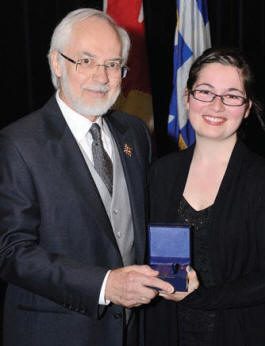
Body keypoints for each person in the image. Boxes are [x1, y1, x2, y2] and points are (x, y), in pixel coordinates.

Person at [0, 8, 173, 346]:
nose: (102, 76)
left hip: (131, 332)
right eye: (86, 60)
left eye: (112, 64)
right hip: (56, 333)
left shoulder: (134, 133)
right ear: (56, 63)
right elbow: (11, 251)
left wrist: (175, 271)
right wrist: (105, 285)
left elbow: (141, 224)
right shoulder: (17, 144)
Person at [145, 47, 265, 346]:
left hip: (243, 331)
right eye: (205, 92)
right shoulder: (160, 172)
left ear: (247, 108)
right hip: (167, 331)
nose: (217, 105)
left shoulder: (263, 179)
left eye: (232, 95)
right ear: (187, 98)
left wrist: (202, 298)